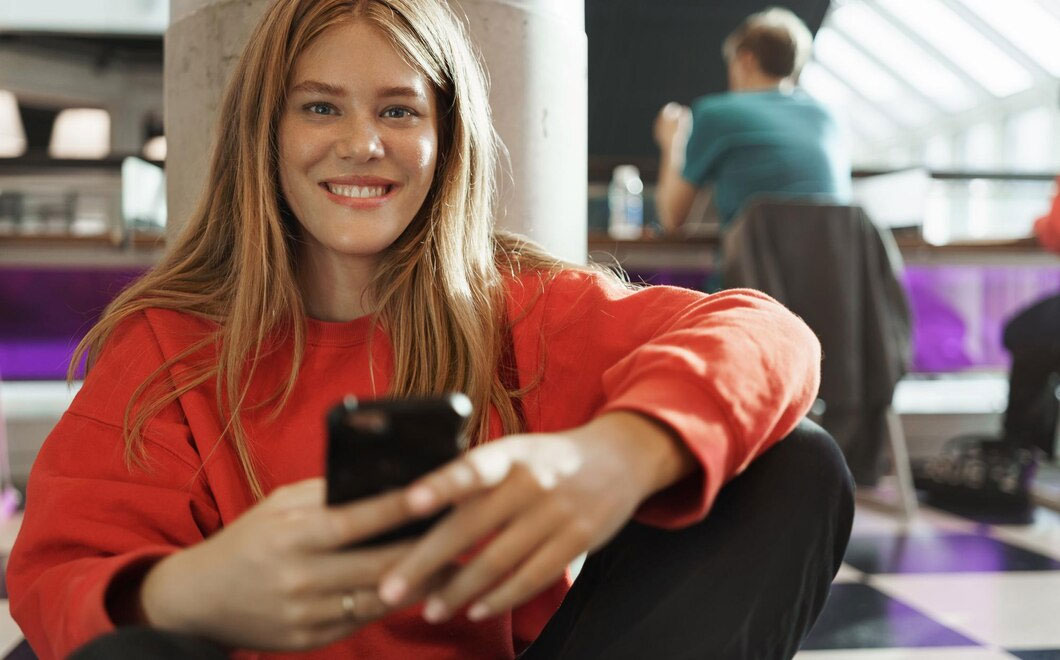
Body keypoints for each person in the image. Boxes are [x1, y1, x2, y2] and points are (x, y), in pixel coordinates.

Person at [6, 1, 853, 658]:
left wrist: (617, 455)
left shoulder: (520, 307)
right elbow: (51, 581)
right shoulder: (169, 341)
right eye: (320, 108)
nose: (362, 143)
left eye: (401, 112)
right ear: (265, 135)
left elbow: (770, 338)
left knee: (795, 467)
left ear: (448, 141)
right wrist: (191, 590)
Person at [653, 6, 851, 234]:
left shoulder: (717, 113)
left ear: (746, 59)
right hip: (835, 266)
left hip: (756, 268)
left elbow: (672, 219)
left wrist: (672, 143)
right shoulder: (830, 118)